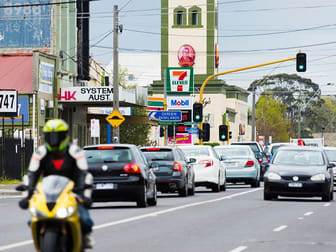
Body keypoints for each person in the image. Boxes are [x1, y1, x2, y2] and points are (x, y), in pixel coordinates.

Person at [18, 119, 94, 248]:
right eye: (50, 135)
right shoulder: (40, 152)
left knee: (85, 220)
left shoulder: (75, 152)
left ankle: (85, 237)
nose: (54, 139)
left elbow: (83, 173)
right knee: (32, 219)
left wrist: (84, 195)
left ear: (64, 135)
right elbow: (31, 174)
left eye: (57, 135)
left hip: (71, 192)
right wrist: (27, 195)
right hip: (47, 192)